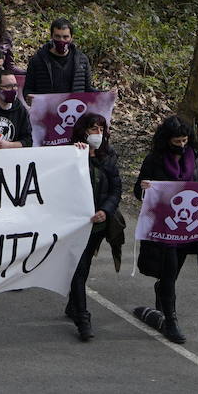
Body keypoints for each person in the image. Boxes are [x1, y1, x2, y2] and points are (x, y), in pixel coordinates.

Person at [134, 115, 198, 344]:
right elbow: (138, 191)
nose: (182, 146)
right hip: (165, 228)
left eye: (185, 141)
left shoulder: (195, 156)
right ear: (166, 140)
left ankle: (162, 291)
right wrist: (144, 188)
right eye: (177, 142)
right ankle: (171, 320)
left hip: (188, 229)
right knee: (169, 270)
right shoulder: (154, 160)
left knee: (174, 270)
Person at [63, 112, 123, 341]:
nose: (97, 134)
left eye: (101, 129)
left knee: (84, 266)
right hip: (75, 225)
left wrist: (105, 211)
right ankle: (83, 317)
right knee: (78, 269)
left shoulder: (108, 156)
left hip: (96, 226)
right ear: (82, 131)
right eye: (93, 129)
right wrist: (79, 156)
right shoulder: (70, 154)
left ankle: (73, 305)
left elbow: (116, 189)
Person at [23, 17, 93, 100]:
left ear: (71, 37)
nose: (61, 40)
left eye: (65, 37)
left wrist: (107, 94)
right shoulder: (37, 60)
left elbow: (88, 90)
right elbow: (27, 90)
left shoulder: (82, 60)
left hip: (73, 110)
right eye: (57, 36)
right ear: (51, 36)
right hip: (47, 110)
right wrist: (30, 97)